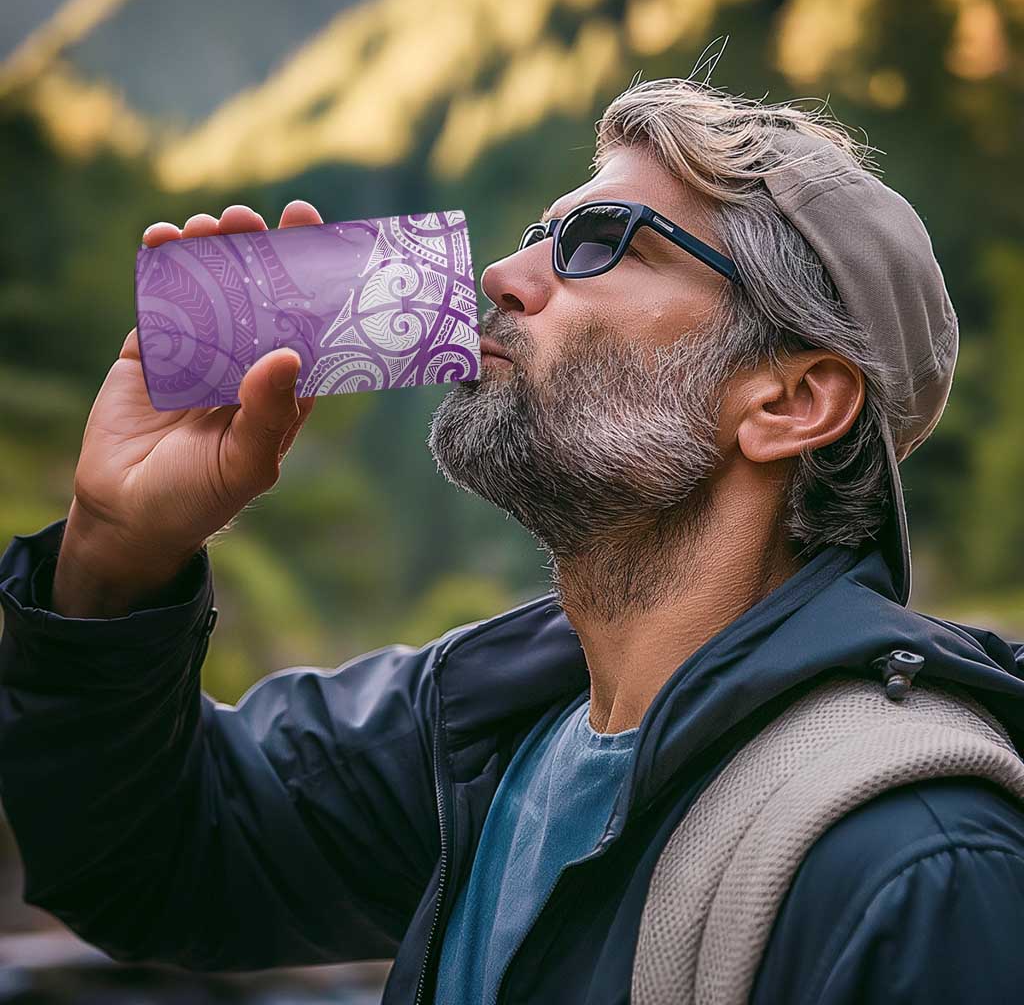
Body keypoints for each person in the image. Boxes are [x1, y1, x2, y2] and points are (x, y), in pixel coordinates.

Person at [2, 75, 1024, 1005]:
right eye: (540, 233)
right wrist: (115, 554)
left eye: (600, 242)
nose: (502, 272)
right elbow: (149, 861)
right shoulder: (480, 730)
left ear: (790, 400)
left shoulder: (918, 865)